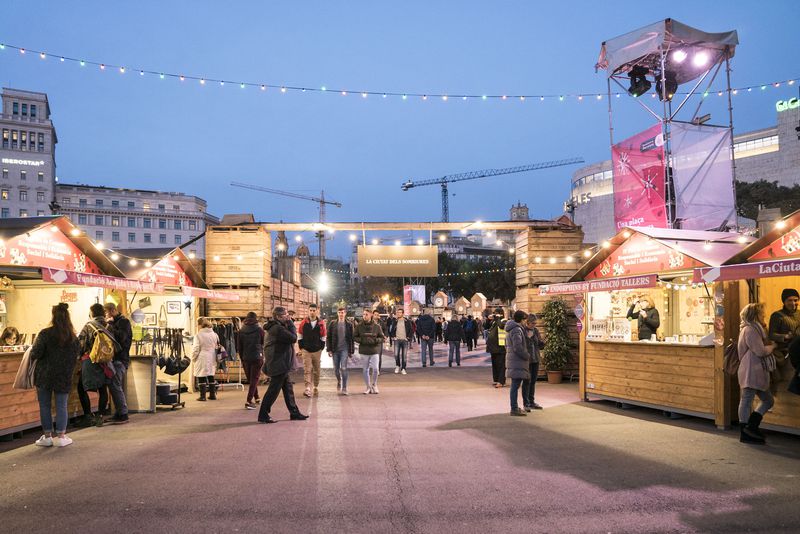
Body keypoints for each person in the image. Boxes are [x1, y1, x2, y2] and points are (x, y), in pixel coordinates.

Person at [30, 303, 80, 447]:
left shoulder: (45, 334)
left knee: (44, 405)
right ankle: (62, 437)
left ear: (53, 316)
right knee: (62, 406)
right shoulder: (73, 338)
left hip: (44, 375)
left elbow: (35, 353)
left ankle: (47, 437)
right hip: (63, 376)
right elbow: (75, 357)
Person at [258, 306, 308, 423]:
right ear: (278, 317)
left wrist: (288, 323)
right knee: (273, 391)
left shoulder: (277, 326)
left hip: (281, 363)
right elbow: (293, 338)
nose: (288, 317)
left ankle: (294, 413)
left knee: (288, 389)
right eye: (285, 315)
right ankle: (263, 415)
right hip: (278, 364)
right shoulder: (277, 329)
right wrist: (290, 323)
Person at [737, 303, 777, 444]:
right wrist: (772, 346)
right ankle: (746, 431)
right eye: (761, 313)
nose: (764, 315)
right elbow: (760, 351)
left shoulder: (753, 329)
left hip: (754, 370)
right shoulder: (751, 330)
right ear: (755, 315)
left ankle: (750, 427)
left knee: (766, 400)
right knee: (747, 400)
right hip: (751, 369)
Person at [76, 303, 117, 427]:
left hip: (90, 361)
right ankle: (100, 416)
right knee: (102, 388)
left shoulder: (89, 326)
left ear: (92, 313)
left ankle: (88, 416)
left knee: (81, 388)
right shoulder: (109, 326)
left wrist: (78, 357)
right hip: (105, 362)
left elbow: (81, 345)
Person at [103, 303, 131, 423]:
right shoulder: (116, 322)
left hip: (120, 359)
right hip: (115, 359)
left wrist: (110, 325)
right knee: (114, 385)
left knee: (115, 385)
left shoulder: (123, 322)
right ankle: (119, 412)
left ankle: (123, 413)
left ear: (113, 310)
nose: (105, 315)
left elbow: (122, 337)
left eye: (106, 313)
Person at [767, 288, 800, 392]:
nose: (793, 303)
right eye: (790, 300)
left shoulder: (799, 314)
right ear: (784, 301)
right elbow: (771, 335)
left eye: (796, 300)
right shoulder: (777, 316)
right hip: (785, 352)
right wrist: (785, 336)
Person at [505, 310, 531, 416]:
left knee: (515, 385)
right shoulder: (516, 330)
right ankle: (514, 408)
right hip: (517, 361)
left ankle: (515, 407)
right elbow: (518, 347)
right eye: (525, 319)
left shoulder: (512, 328)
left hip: (514, 360)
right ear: (521, 319)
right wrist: (527, 356)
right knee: (515, 385)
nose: (526, 322)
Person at [237, 311, 265, 409]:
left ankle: (256, 397)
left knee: (251, 379)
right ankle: (248, 401)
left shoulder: (241, 331)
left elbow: (239, 347)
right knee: (254, 379)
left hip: (246, 358)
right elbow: (263, 342)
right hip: (257, 357)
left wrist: (242, 358)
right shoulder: (259, 330)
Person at [298, 304, 326, 397]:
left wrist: (321, 347)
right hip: (306, 350)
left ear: (317, 311)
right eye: (311, 310)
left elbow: (323, 336)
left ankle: (316, 385)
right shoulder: (303, 322)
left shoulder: (321, 323)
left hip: (317, 350)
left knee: (316, 370)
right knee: (307, 369)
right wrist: (301, 347)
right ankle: (307, 388)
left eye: (314, 310)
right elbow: (300, 335)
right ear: (308, 311)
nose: (312, 312)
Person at [354, 308, 384, 394]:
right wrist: (362, 340)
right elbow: (355, 336)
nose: (364, 316)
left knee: (375, 369)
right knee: (365, 369)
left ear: (371, 315)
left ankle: (374, 385)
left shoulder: (377, 326)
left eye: (366, 314)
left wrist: (375, 341)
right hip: (364, 351)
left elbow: (381, 337)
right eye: (363, 314)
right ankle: (368, 387)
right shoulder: (359, 326)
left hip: (374, 350)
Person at [327, 307, 355, 395]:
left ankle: (344, 388)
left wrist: (351, 351)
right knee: (336, 369)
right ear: (337, 313)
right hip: (335, 349)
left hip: (345, 350)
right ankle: (339, 380)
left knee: (343, 368)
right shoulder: (332, 324)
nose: (341, 314)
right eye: (339, 312)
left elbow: (351, 338)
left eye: (342, 312)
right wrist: (329, 349)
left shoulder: (349, 324)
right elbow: (328, 337)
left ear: (345, 313)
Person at [192, 318, 220, 401]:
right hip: (212, 356)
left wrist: (193, 358)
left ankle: (202, 396)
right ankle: (212, 395)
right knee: (211, 375)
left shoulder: (198, 335)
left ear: (201, 325)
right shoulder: (215, 334)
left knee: (201, 375)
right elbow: (217, 346)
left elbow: (196, 349)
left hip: (202, 356)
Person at [524, 314, 545, 411]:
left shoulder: (536, 331)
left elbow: (540, 344)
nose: (534, 325)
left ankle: (532, 401)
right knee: (526, 382)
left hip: (535, 359)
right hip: (526, 360)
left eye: (535, 323)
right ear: (527, 322)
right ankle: (526, 403)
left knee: (533, 381)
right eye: (533, 323)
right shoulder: (523, 331)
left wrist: (542, 343)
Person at [486, 309, 507, 388]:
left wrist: (498, 318)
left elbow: (501, 326)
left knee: (501, 365)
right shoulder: (495, 321)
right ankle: (496, 380)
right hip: (493, 347)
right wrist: (488, 319)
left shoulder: (504, 321)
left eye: (496, 314)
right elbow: (486, 327)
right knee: (495, 365)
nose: (494, 315)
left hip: (500, 347)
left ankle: (501, 381)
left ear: (501, 314)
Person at [389, 308, 412, 375]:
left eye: (400, 312)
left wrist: (408, 338)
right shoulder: (395, 321)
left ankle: (403, 368)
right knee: (396, 354)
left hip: (404, 340)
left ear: (403, 313)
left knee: (404, 356)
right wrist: (393, 337)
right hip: (397, 340)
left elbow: (411, 330)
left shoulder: (407, 321)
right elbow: (391, 330)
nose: (398, 313)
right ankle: (397, 366)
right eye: (397, 312)